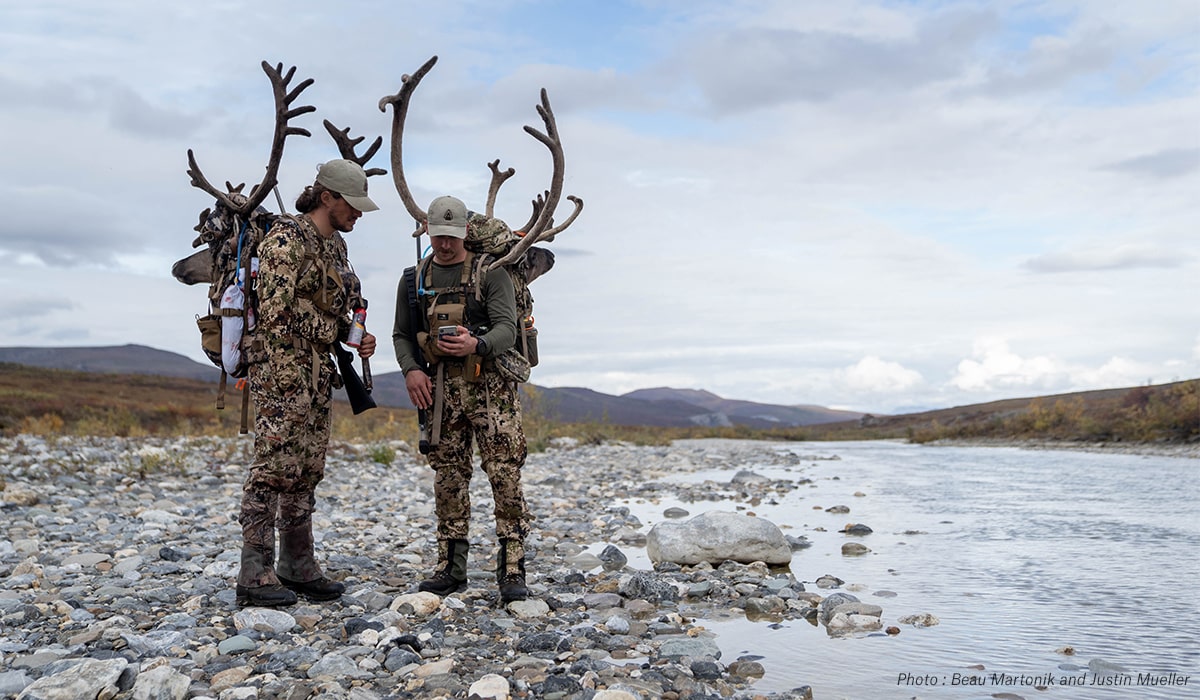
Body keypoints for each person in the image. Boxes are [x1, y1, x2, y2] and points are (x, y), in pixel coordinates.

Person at [236, 159, 379, 607]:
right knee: (273, 466)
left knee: (307, 467)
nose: (357, 214)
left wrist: (355, 335)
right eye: (351, 205)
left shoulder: (336, 247)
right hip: (282, 369)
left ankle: (297, 562)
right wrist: (329, 333)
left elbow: (339, 308)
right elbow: (276, 311)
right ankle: (253, 569)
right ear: (327, 198)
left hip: (317, 372)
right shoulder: (286, 240)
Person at [392, 195, 531, 603]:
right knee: (448, 477)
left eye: (453, 237)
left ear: (466, 232)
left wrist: (479, 343)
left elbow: (508, 326)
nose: (446, 245)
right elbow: (401, 334)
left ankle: (512, 566)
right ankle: (450, 568)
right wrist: (411, 370)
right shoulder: (413, 279)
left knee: (504, 473)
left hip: (491, 392)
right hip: (439, 394)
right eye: (439, 237)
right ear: (428, 232)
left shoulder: (492, 274)